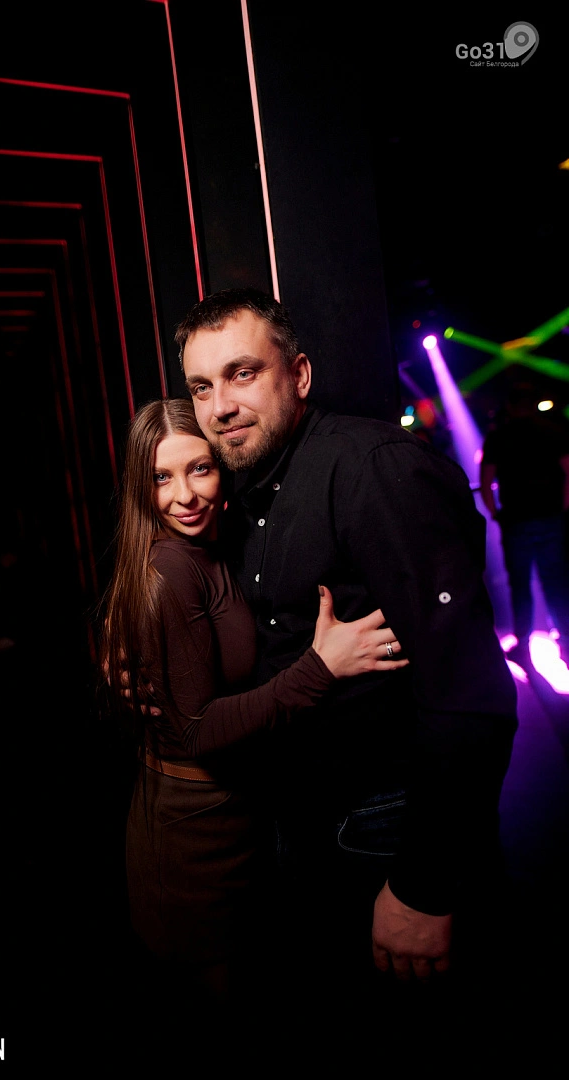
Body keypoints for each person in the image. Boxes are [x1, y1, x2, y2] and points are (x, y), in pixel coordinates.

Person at [171, 288, 518, 1029]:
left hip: (388, 825)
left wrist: (425, 887)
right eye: (201, 386)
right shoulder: (243, 489)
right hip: (304, 823)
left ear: (298, 376)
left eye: (241, 374)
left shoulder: (372, 469)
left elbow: (469, 694)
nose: (220, 405)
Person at [99, 397, 408, 1016]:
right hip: (193, 834)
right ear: (140, 487)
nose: (185, 496)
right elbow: (197, 731)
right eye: (161, 477)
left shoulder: (216, 547)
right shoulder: (171, 568)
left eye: (200, 469)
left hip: (237, 811)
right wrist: (321, 667)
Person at [480, 382, 569, 669]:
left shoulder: (498, 437)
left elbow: (485, 481)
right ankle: (566, 642)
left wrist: (496, 514)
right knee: (555, 582)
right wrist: (563, 507)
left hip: (516, 521)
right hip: (550, 517)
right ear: (533, 404)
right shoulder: (552, 431)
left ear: (509, 406)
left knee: (520, 586)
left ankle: (523, 646)